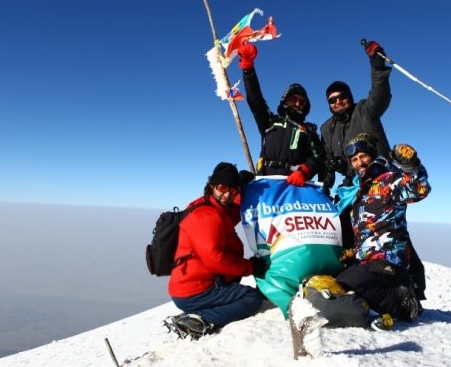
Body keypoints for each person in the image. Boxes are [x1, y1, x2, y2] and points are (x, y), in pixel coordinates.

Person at [335, 134, 431, 322]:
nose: (359, 163)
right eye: (354, 160)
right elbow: (366, 231)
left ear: (372, 155)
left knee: (347, 283)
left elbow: (419, 188)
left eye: (363, 156)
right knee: (338, 280)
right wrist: (353, 252)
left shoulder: (388, 180)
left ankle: (402, 299)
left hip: (389, 262)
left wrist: (412, 166)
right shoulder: (359, 193)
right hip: (369, 263)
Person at [166, 162, 266, 339]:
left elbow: (231, 211)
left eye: (233, 190)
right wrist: (251, 267)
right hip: (195, 289)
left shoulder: (214, 206)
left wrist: (241, 186)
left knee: (243, 293)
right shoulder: (207, 215)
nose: (227, 194)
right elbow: (216, 258)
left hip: (194, 285)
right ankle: (199, 322)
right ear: (211, 185)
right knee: (251, 298)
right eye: (222, 187)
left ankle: (195, 314)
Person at [237, 43, 322, 186]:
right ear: (285, 100)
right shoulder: (270, 121)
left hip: (295, 186)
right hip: (265, 184)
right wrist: (248, 69)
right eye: (293, 99)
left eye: (301, 101)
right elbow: (256, 100)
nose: (297, 103)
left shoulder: (308, 131)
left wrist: (305, 170)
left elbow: (318, 157)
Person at [320, 40, 392, 193]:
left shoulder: (364, 110)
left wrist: (377, 66)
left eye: (342, 96)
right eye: (332, 100)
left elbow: (380, 96)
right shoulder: (327, 129)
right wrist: (328, 180)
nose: (338, 101)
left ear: (350, 96)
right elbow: (327, 160)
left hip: (381, 180)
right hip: (354, 186)